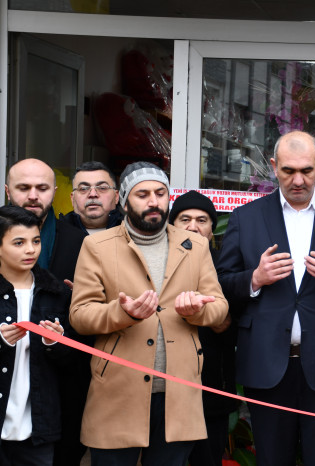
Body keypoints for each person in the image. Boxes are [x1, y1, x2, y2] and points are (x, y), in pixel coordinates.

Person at [216, 130, 315, 466]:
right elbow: (222, 284)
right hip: (267, 366)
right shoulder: (246, 218)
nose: (298, 180)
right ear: (274, 167)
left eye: (306, 170)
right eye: (288, 171)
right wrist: (255, 279)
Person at [69, 161, 229, 465]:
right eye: (142, 194)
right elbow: (80, 315)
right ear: (124, 201)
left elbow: (219, 308)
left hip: (179, 395)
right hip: (117, 394)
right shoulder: (97, 246)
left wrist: (196, 311)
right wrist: (122, 313)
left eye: (160, 193)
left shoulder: (196, 246)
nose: (153, 201)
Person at [4, 157, 88, 466]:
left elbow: (82, 333)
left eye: (41, 188)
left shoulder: (78, 242)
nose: (33, 196)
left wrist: (59, 337)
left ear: (55, 191)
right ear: (7, 190)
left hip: (52, 402)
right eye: (23, 187)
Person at [169, 190, 237, 466]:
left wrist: (215, 318)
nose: (193, 227)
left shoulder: (227, 267)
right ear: (172, 225)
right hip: (165, 387)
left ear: (212, 228)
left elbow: (236, 327)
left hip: (212, 387)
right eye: (184, 219)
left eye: (202, 220)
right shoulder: (157, 263)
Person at [0, 205, 72, 465]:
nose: (31, 250)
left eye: (36, 241)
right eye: (19, 242)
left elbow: (71, 363)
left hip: (39, 426)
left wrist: (55, 342)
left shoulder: (57, 293)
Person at [62, 161, 124, 235]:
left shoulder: (131, 233)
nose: (93, 194)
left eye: (102, 188)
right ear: (72, 199)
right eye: (83, 188)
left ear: (116, 197)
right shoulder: (56, 234)